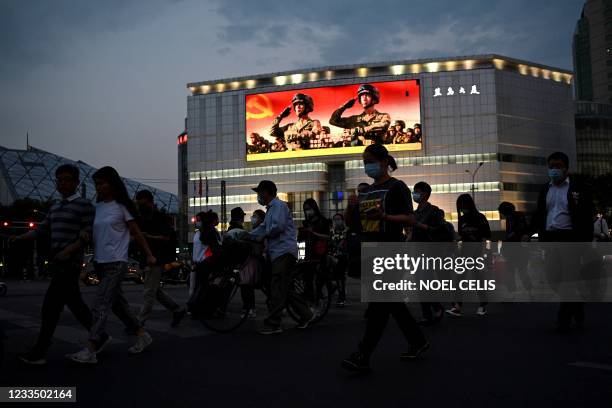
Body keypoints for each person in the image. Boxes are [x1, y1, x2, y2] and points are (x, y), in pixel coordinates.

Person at [342, 144, 428, 373]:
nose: (366, 165)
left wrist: (385, 216)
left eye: (369, 160)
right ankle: (418, 341)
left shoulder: (396, 187)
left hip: (392, 249)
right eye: (364, 162)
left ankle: (363, 354)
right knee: (392, 303)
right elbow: (355, 225)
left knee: (380, 304)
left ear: (383, 162)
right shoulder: (366, 191)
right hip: (371, 249)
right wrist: (351, 209)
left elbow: (409, 219)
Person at [67, 166, 156, 364]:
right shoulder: (97, 206)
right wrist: (85, 233)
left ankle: (91, 349)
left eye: (102, 183)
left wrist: (149, 254)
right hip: (99, 262)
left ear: (112, 183)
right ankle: (142, 335)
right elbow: (93, 230)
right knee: (119, 306)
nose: (98, 187)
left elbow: (137, 233)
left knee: (100, 305)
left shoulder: (122, 206)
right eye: (96, 184)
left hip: (116, 263)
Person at [15, 164, 95, 365]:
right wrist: (20, 237)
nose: (63, 183)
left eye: (67, 179)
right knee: (76, 306)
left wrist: (68, 251)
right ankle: (99, 335)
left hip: (70, 263)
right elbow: (42, 230)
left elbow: (88, 234)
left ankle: (40, 351)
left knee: (50, 308)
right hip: (57, 262)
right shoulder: (55, 207)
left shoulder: (84, 205)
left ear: (77, 182)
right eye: (59, 179)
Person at [531, 152, 594, 332]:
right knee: (552, 277)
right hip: (550, 239)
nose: (554, 170)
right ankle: (577, 305)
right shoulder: (545, 189)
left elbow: (586, 217)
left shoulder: (578, 189)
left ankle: (563, 319)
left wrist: (585, 243)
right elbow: (540, 214)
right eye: (551, 166)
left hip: (570, 238)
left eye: (558, 166)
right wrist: (529, 232)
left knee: (568, 278)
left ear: (566, 168)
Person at [250, 180, 314, 334]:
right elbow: (263, 228)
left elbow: (277, 227)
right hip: (277, 253)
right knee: (283, 288)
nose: (258, 196)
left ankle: (274, 323)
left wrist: (262, 236)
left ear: (267, 192)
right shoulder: (271, 209)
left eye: (259, 192)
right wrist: (248, 235)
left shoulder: (278, 207)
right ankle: (306, 314)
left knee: (277, 286)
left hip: (284, 252)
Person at [134, 190, 186, 328]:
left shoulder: (160, 217)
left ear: (150, 202)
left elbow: (167, 237)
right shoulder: (142, 218)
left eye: (142, 204)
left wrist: (148, 236)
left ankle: (139, 323)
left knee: (149, 291)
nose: (140, 207)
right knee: (154, 290)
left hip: (157, 257)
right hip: (148, 257)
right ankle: (177, 309)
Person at [446, 193, 491, 317]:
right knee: (459, 279)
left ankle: (482, 305)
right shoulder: (462, 219)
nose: (461, 209)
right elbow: (462, 235)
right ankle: (457, 307)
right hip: (465, 252)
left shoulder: (480, 217)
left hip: (477, 252)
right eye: (459, 206)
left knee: (478, 279)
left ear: (469, 205)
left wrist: (483, 253)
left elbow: (486, 236)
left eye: (463, 206)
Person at [410, 181, 446, 326]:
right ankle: (427, 314)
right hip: (416, 250)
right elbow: (411, 232)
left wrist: (421, 226)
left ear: (425, 194)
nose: (415, 194)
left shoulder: (434, 210)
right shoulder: (415, 212)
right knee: (419, 283)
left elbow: (440, 230)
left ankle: (436, 307)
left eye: (416, 191)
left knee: (425, 282)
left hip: (429, 250)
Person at [187, 210, 221, 317]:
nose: (197, 222)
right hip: (200, 264)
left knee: (201, 287)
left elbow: (213, 249)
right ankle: (197, 309)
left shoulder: (207, 232)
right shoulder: (200, 233)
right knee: (199, 287)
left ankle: (196, 308)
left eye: (198, 220)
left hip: (204, 264)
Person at [498, 201, 532, 297]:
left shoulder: (515, 218)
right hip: (518, 249)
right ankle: (528, 292)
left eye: (502, 213)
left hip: (517, 249)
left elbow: (515, 233)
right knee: (518, 271)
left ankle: (515, 292)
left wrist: (506, 243)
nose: (502, 215)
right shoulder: (514, 217)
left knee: (514, 271)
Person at [330, 213, 349, 307]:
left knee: (340, 277)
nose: (337, 221)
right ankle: (337, 290)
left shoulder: (346, 230)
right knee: (335, 277)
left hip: (342, 257)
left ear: (342, 220)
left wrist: (338, 245)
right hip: (333, 257)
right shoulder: (332, 231)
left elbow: (344, 241)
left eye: (338, 219)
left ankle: (342, 297)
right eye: (335, 219)